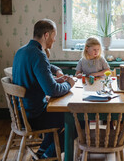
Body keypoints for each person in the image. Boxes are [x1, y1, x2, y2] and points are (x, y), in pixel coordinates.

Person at [12, 19, 75, 159]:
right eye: (54, 36)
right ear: (46, 35)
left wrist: (55, 77)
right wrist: (69, 84)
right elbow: (51, 91)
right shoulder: (39, 55)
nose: (54, 40)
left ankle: (42, 151)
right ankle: (47, 155)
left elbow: (42, 72)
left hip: (21, 114)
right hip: (34, 116)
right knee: (77, 119)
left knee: (62, 115)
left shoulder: (22, 51)